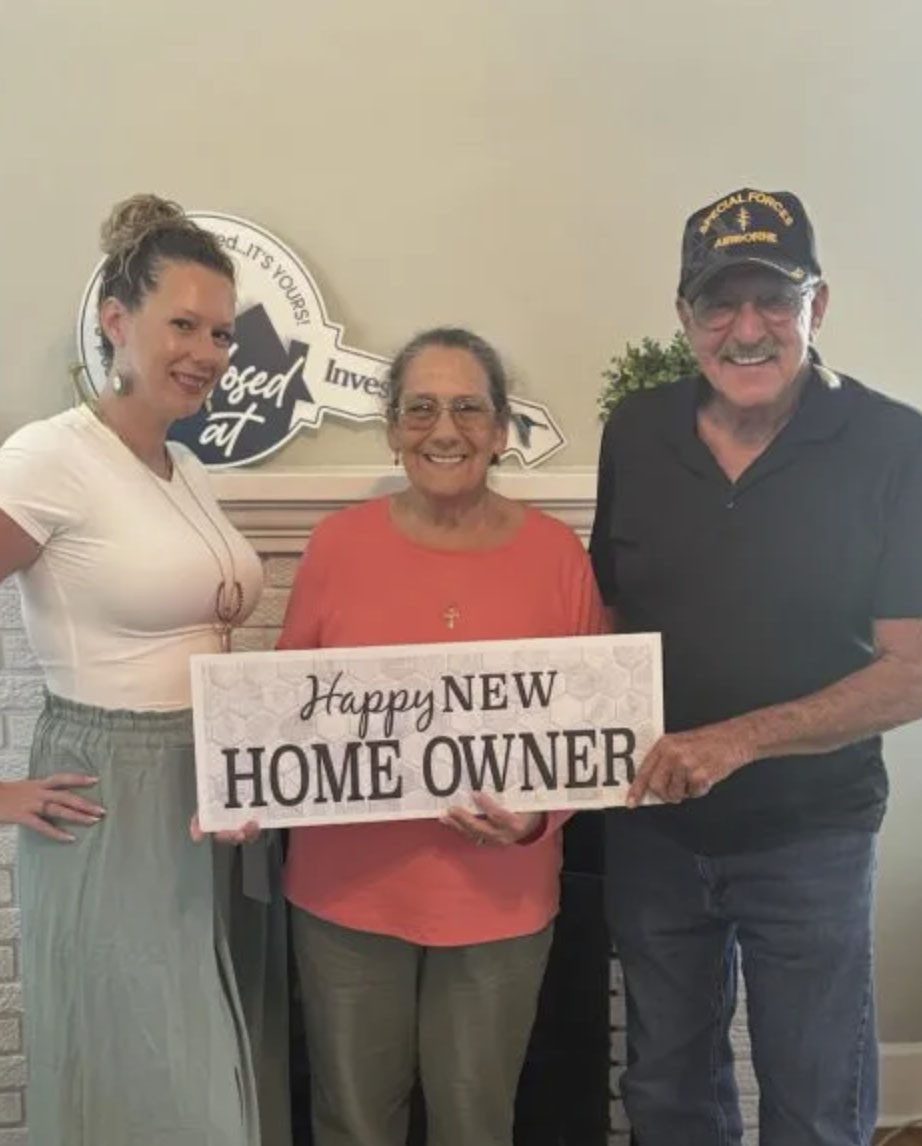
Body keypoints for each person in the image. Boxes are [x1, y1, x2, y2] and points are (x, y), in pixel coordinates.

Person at [590, 187, 922, 1146]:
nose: (746, 329)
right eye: (720, 303)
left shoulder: (896, 444)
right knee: (667, 1093)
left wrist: (736, 742)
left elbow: (915, 675)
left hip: (813, 835)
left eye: (774, 301)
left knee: (815, 1097)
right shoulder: (635, 432)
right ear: (684, 318)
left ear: (817, 308)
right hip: (655, 832)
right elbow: (603, 618)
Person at [0, 195, 291, 1146]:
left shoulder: (180, 466)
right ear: (116, 321)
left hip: (210, 792)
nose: (205, 352)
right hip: (112, 791)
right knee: (146, 1071)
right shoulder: (49, 457)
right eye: (181, 325)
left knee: (211, 1052)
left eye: (222, 334)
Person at [277, 327, 607, 1146]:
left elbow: (594, 727)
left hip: (500, 898)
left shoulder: (556, 556)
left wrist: (541, 819)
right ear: (391, 428)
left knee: (477, 1122)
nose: (444, 430)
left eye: (468, 408)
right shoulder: (336, 546)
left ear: (501, 431)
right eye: (420, 409)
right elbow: (284, 706)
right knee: (353, 1121)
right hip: (346, 896)